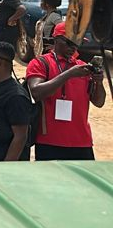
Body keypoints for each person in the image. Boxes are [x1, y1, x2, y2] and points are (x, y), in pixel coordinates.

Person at [25, 20, 106, 160]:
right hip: (49, 142)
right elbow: (37, 92)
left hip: (82, 141)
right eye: (69, 43)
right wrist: (68, 74)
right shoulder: (41, 63)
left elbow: (99, 102)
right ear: (56, 40)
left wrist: (98, 82)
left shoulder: (82, 67)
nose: (73, 48)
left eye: (76, 43)